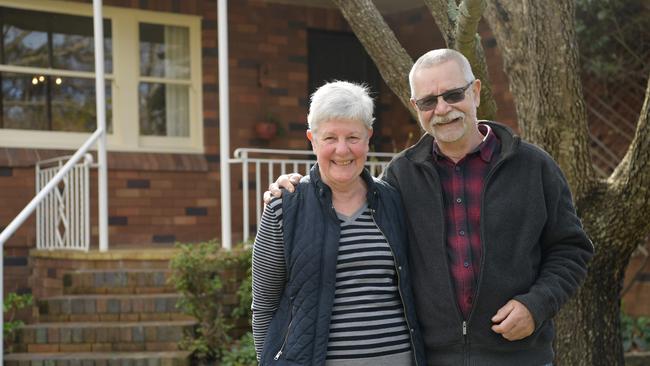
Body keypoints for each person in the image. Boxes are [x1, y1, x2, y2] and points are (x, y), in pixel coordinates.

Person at [265, 49, 594, 365]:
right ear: (415, 106)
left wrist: (537, 305)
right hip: (433, 359)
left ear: (475, 92)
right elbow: (346, 187)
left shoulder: (533, 167)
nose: (442, 108)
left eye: (453, 94)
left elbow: (571, 249)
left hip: (519, 359)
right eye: (428, 101)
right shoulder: (401, 177)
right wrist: (298, 189)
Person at [252, 80, 426, 366]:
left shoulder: (394, 202)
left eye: (353, 138)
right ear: (312, 139)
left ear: (369, 137)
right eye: (330, 138)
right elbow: (264, 306)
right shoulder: (285, 208)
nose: (342, 150)